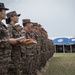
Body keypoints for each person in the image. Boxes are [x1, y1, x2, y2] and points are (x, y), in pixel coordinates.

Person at [0, 3, 20, 75]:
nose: (5, 13)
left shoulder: (2, 25)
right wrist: (9, 41)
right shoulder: (8, 27)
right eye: (4, 11)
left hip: (5, 59)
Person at [6, 11, 27, 75]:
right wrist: (18, 41)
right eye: (16, 16)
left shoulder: (14, 28)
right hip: (13, 56)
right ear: (11, 17)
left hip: (17, 55)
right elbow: (8, 41)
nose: (18, 18)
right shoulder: (9, 28)